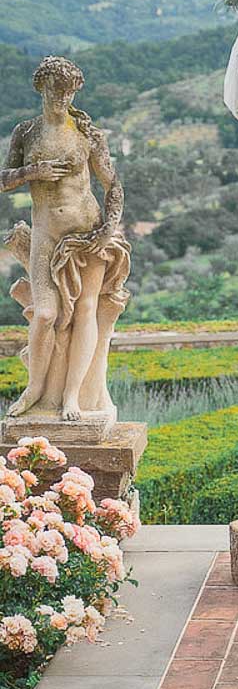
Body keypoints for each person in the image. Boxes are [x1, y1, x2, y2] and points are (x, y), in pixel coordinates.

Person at [3, 56, 131, 421]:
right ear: (41, 87)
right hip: (46, 234)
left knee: (87, 310)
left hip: (87, 233)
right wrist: (33, 171)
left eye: (68, 90)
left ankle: (72, 397)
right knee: (45, 314)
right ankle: (35, 389)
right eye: (55, 88)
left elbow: (112, 183)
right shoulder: (26, 133)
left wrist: (109, 228)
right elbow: (3, 179)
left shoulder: (87, 133)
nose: (62, 96)